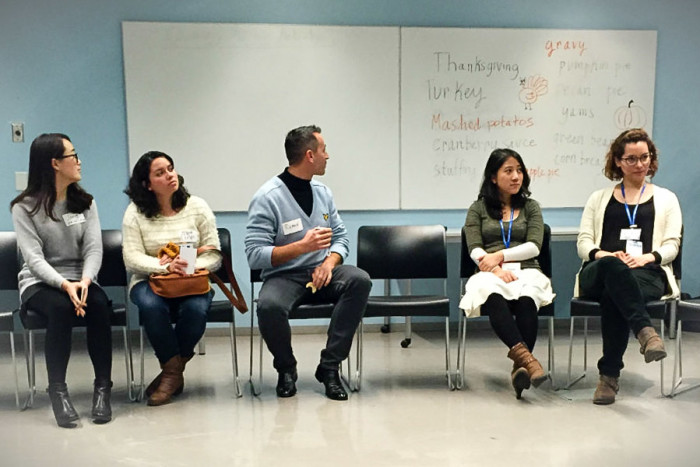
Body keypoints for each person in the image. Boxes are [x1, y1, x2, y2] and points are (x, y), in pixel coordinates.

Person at [245, 125, 371, 401]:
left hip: (322, 272)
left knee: (359, 280)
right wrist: (301, 247)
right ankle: (286, 369)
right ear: (310, 155)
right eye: (324, 150)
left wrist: (329, 262)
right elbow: (254, 255)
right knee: (268, 306)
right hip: (284, 275)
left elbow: (341, 237)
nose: (329, 156)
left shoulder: (323, 192)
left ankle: (329, 367)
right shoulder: (268, 197)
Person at [11, 133, 112, 427]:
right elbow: (33, 258)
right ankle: (58, 391)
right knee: (59, 308)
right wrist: (64, 285)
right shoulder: (24, 207)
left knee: (99, 304)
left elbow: (94, 248)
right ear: (55, 163)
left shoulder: (86, 203)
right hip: (39, 282)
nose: (79, 162)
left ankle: (103, 389)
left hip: (80, 278)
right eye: (73, 155)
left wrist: (84, 280)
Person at [575, 128, 682, 405]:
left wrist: (647, 258)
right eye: (631, 159)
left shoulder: (667, 198)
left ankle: (608, 377)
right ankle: (645, 332)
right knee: (614, 270)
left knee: (616, 293)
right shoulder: (598, 198)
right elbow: (583, 242)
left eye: (645, 157)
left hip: (645, 273)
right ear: (618, 162)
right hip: (600, 270)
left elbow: (672, 245)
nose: (640, 165)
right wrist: (604, 255)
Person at [122, 151, 222, 406]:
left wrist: (188, 267)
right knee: (152, 306)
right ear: (147, 184)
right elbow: (131, 258)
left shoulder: (197, 206)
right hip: (148, 280)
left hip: (191, 280)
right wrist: (164, 267)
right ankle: (173, 372)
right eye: (160, 173)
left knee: (197, 309)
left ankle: (170, 373)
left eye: (170, 169)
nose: (170, 175)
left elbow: (214, 253)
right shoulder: (135, 213)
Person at [459, 148, 555, 399]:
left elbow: (535, 245)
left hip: (527, 270)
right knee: (492, 295)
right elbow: (474, 248)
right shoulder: (477, 208)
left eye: (519, 170)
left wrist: (500, 256)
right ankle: (528, 361)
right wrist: (495, 269)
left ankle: (520, 366)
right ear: (493, 177)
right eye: (508, 171)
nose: (516, 177)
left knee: (526, 300)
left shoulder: (531, 207)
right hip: (489, 271)